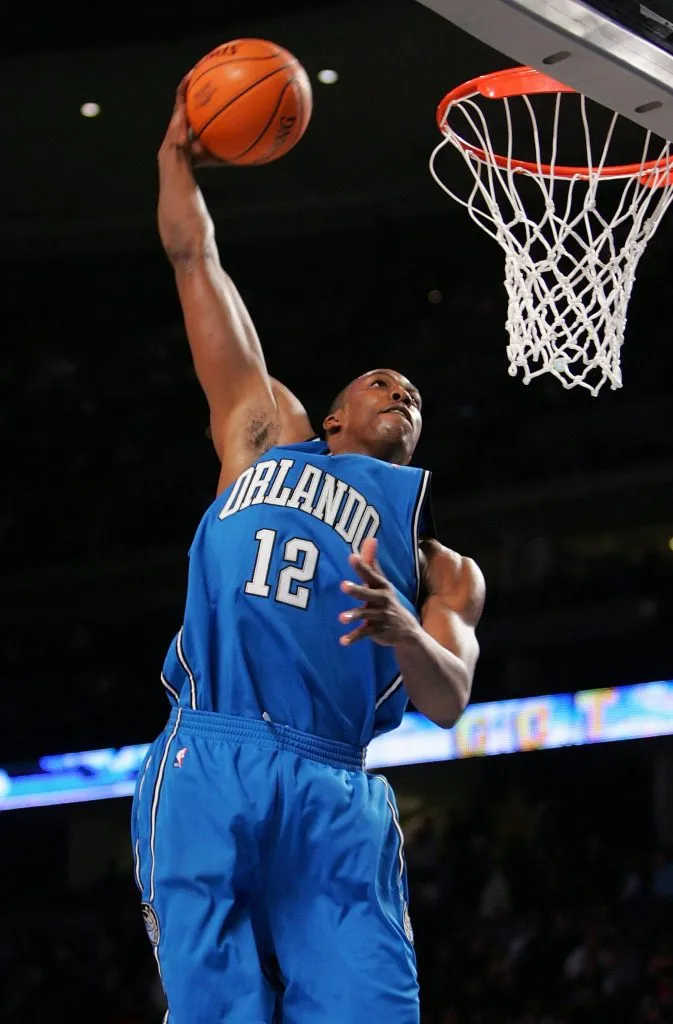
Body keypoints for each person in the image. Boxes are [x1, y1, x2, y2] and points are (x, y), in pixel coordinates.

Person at [131, 78, 485, 1024]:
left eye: (413, 392)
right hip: (214, 746)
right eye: (382, 381)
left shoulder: (441, 564)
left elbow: (447, 699)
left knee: (372, 1008)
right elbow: (195, 258)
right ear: (330, 416)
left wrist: (407, 631)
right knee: (217, 1011)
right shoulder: (261, 436)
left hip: (335, 780)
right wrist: (175, 160)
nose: (401, 391)